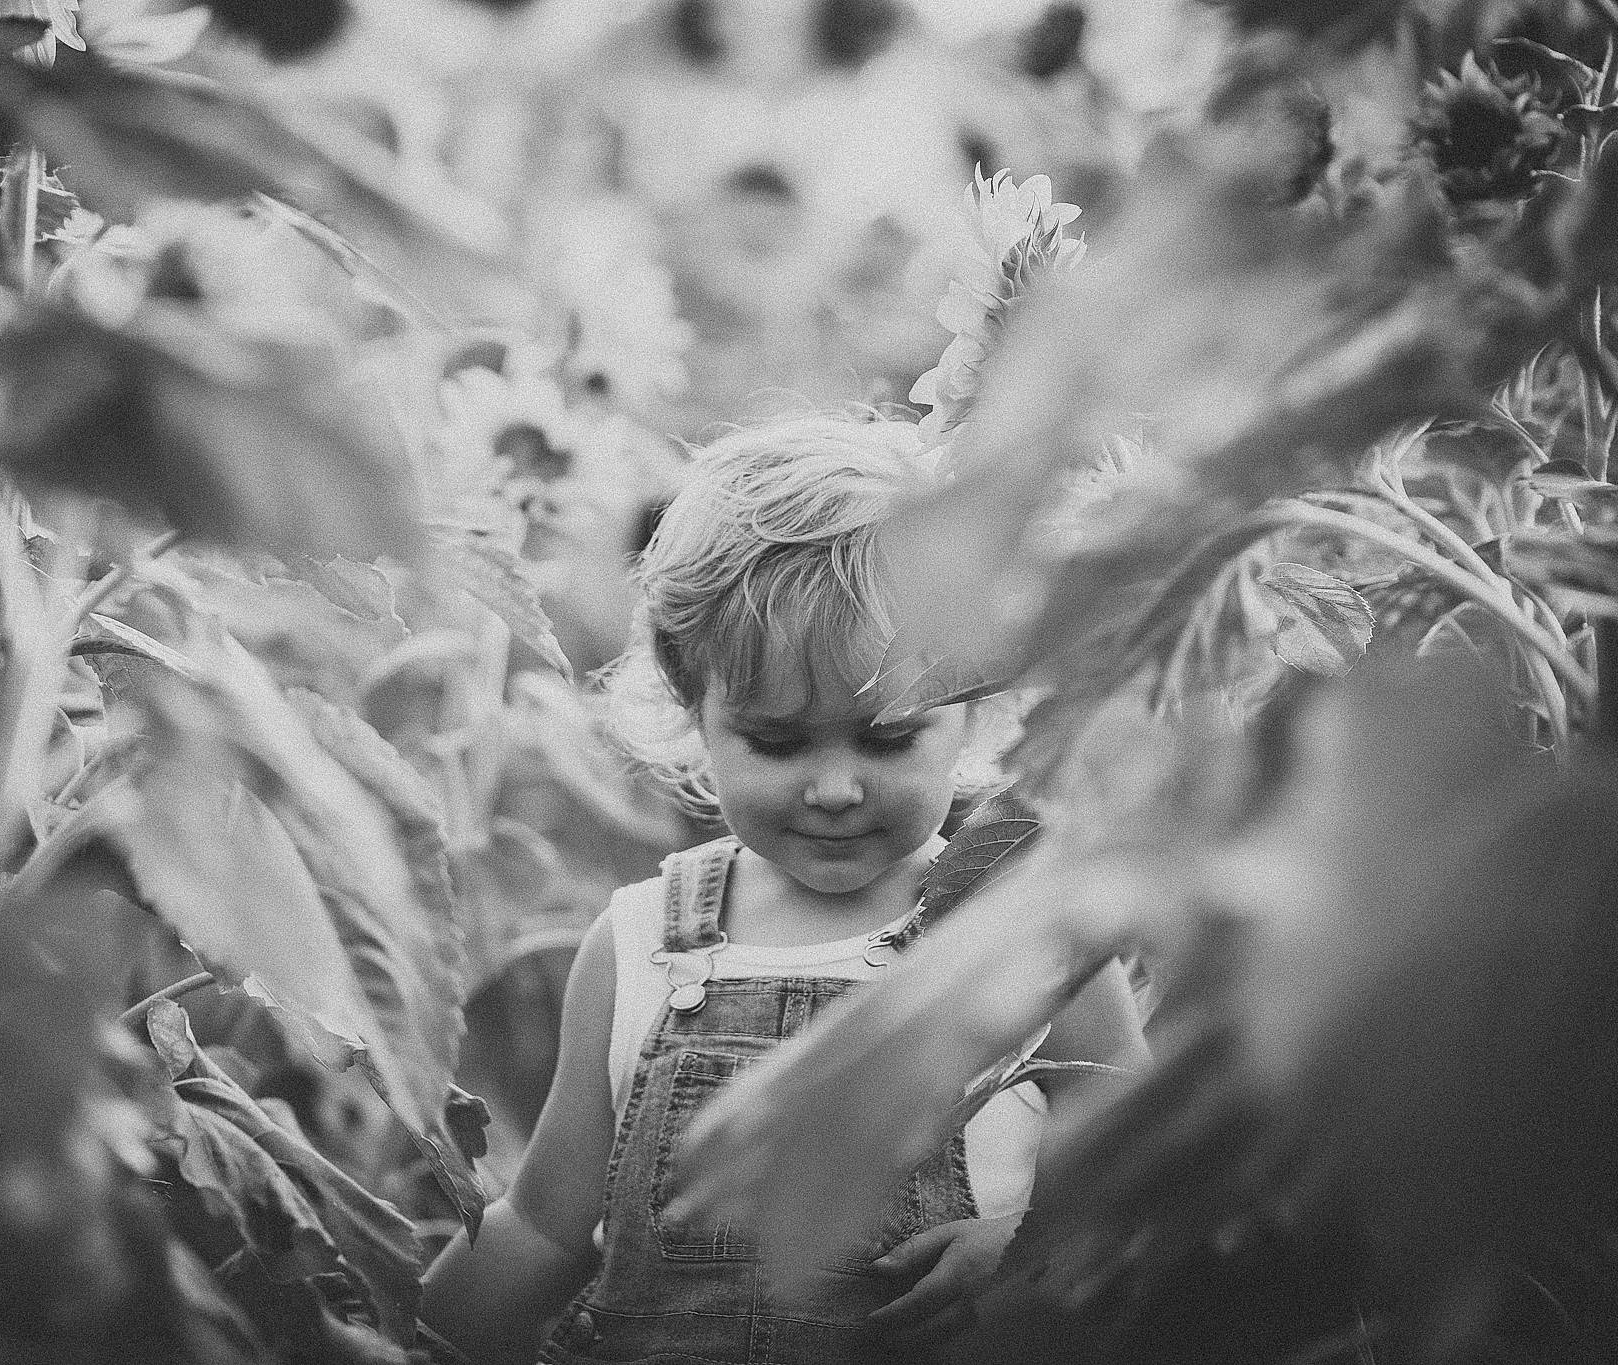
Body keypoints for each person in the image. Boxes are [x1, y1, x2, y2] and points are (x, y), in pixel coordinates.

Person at [420, 412, 1147, 1363]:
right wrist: (386, 1326)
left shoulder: (1025, 922)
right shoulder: (639, 943)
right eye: (777, 741)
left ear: (974, 710)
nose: (836, 787)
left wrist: (1020, 1239)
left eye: (888, 738)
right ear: (697, 711)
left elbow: (1140, 1165)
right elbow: (549, 1224)